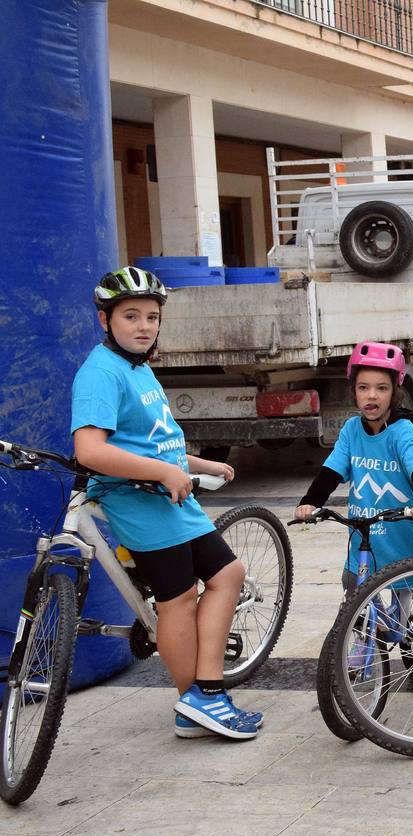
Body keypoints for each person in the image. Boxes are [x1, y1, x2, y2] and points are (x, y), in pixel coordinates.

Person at [71, 266, 258, 739]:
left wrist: (201, 465)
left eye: (151, 317)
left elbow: (153, 443)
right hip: (135, 498)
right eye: (130, 316)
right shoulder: (101, 372)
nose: (143, 326)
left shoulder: (138, 367)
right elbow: (90, 450)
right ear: (104, 320)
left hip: (168, 494)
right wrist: (165, 472)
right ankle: (200, 698)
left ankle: (201, 697)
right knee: (178, 601)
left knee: (228, 574)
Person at [294, 340, 413, 666]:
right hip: (366, 535)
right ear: (354, 391)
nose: (371, 396)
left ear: (395, 392)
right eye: (363, 388)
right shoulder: (351, 430)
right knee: (355, 589)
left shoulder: (403, 431)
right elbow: (332, 470)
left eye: (381, 388)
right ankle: (363, 637)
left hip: (406, 531)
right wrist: (310, 502)